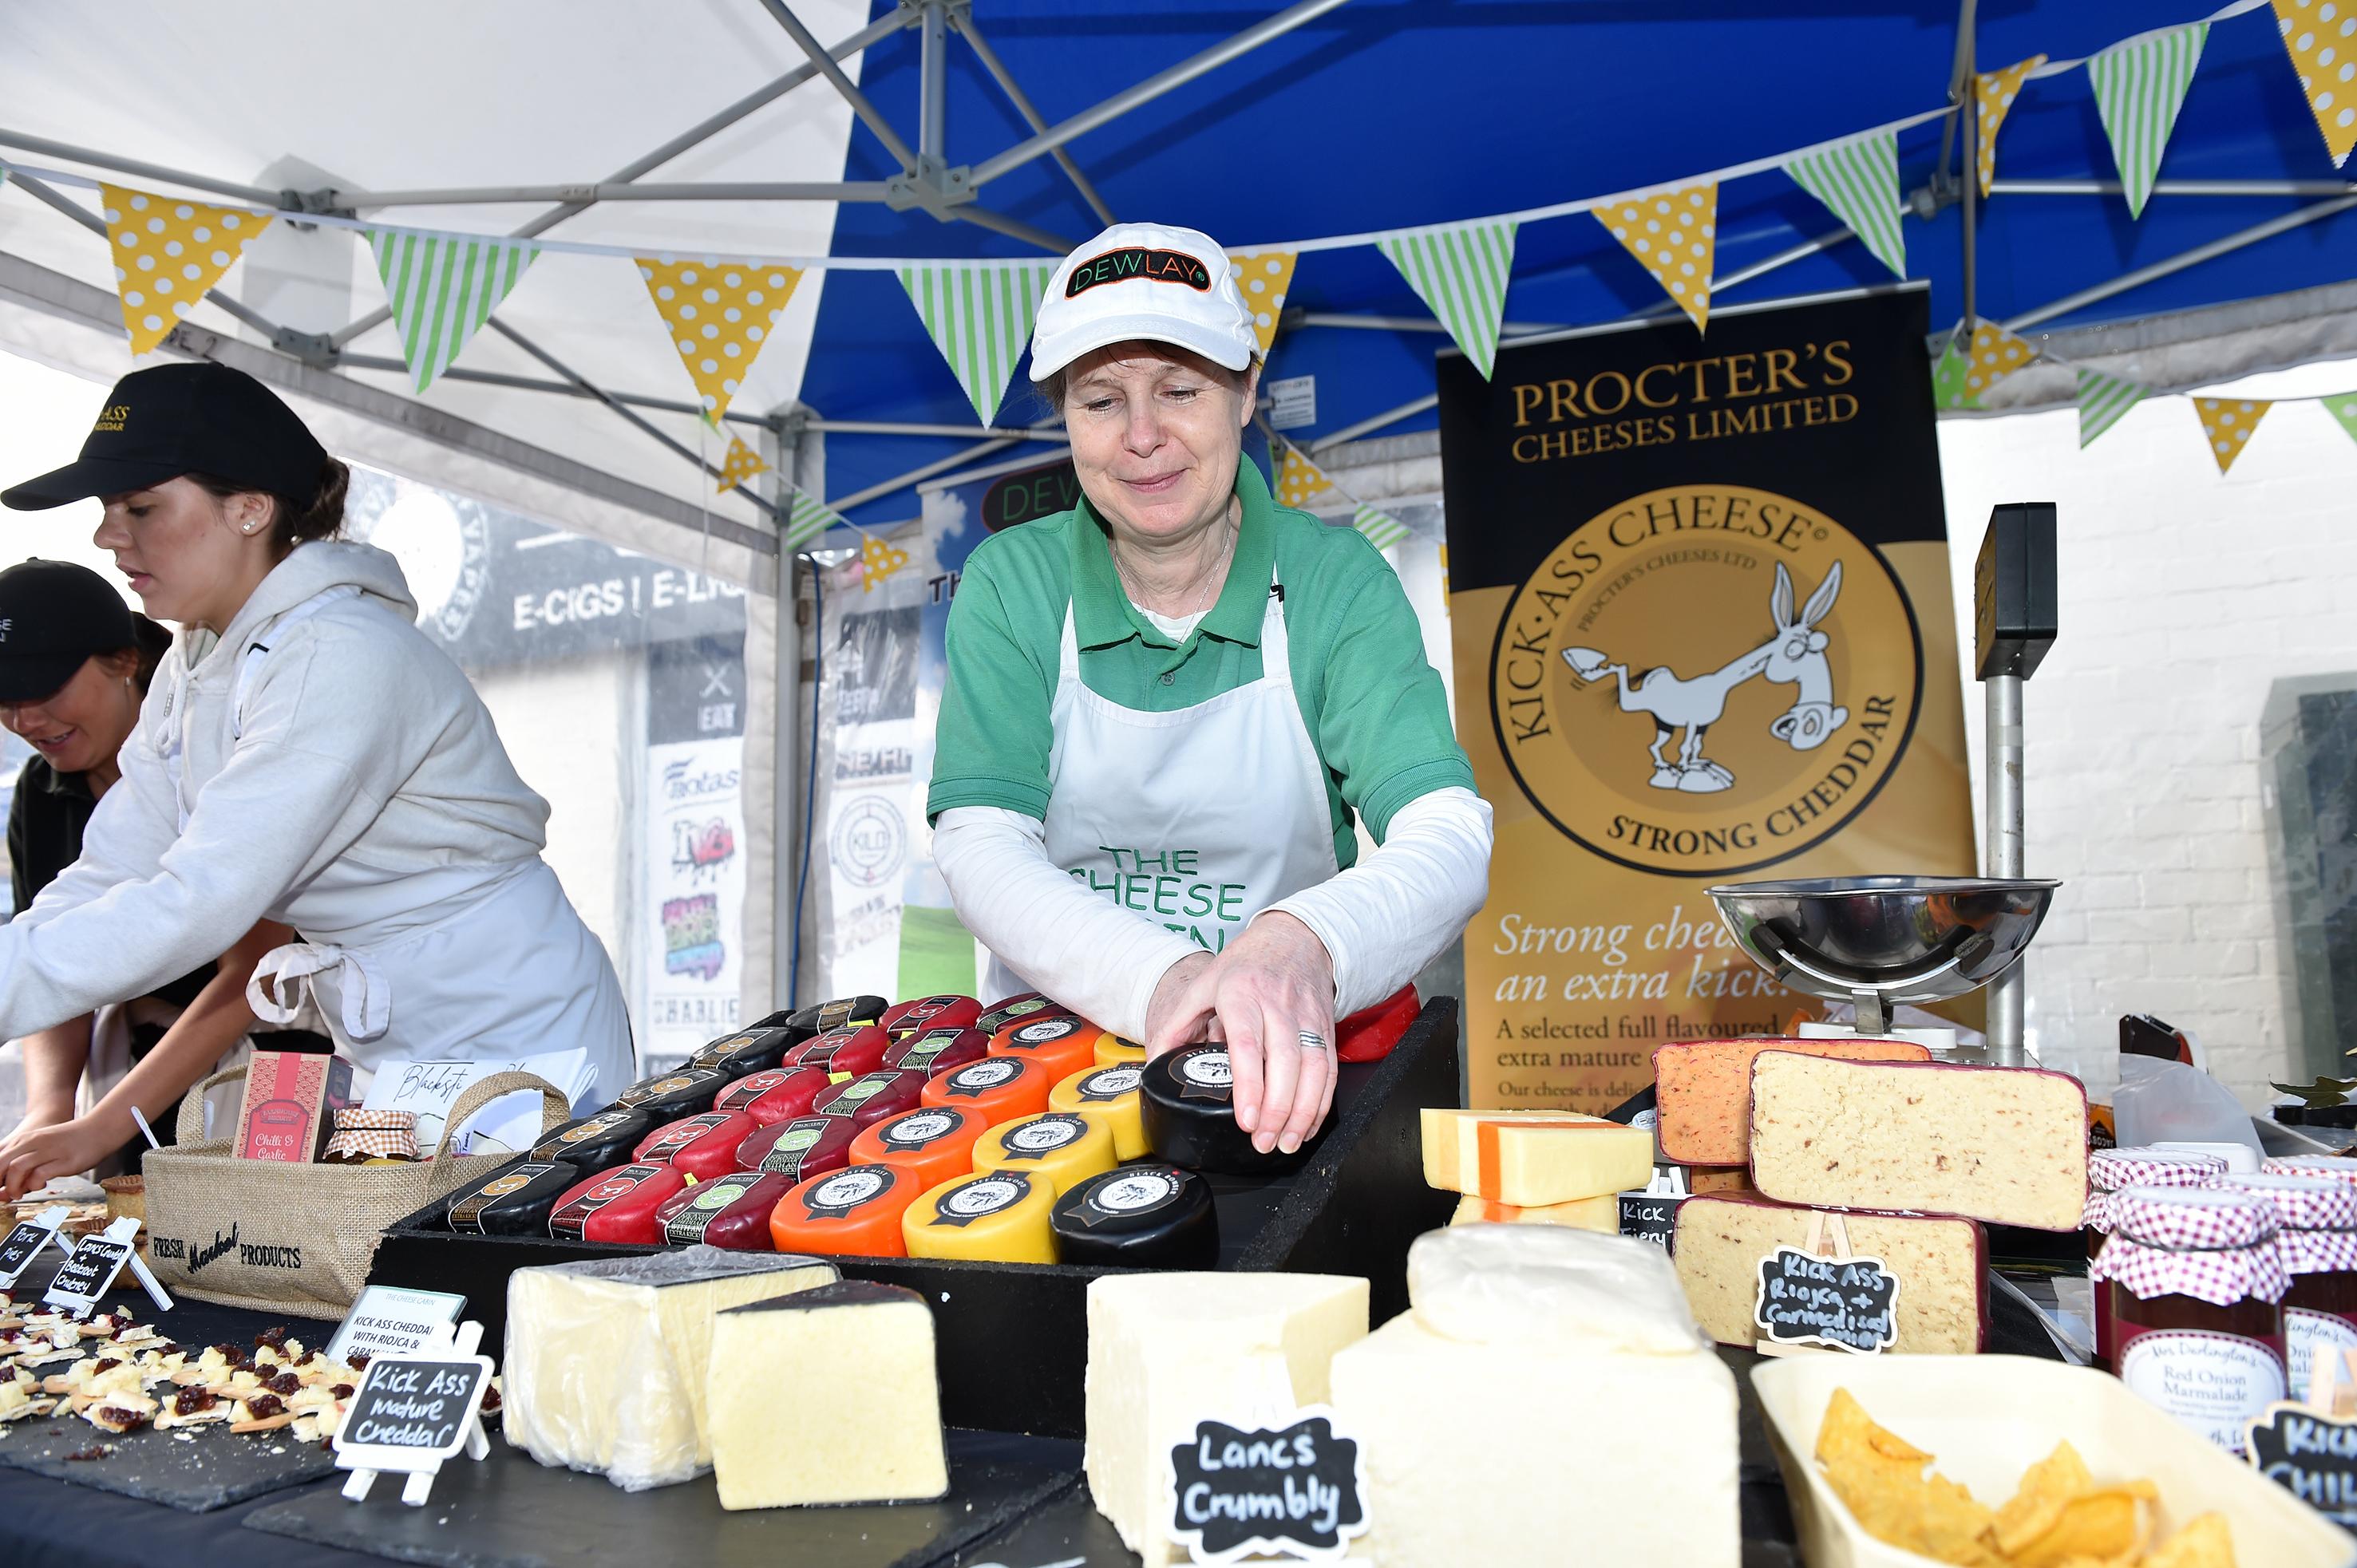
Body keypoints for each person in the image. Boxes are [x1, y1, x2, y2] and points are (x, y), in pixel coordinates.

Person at [0, 361, 632, 1195]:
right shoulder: (193, 664)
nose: (108, 536)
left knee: (484, 1287)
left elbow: (199, 899)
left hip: (512, 1037)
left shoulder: (341, 653)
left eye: (141, 507)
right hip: (383, 1061)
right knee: (353, 1258)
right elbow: (116, 870)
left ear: (250, 508)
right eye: (108, 512)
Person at [928, 222, 1493, 1158]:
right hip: (1051, 1091)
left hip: (1286, 1078)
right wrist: (1167, 978)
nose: (1142, 437)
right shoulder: (1011, 584)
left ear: (1244, 396)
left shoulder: (1332, 580)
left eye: (1180, 391)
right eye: (1100, 399)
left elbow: (1448, 835)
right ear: (1065, 418)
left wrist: (1300, 946)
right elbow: (980, 843)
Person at [0, 559, 296, 1194]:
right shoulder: (41, 792)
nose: (24, 722)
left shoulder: (227, 741)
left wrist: (101, 1125)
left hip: (275, 1067)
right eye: (3, 701)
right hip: (139, 1072)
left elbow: (255, 970)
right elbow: (53, 953)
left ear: (126, 660)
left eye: (44, 690)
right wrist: (51, 1107)